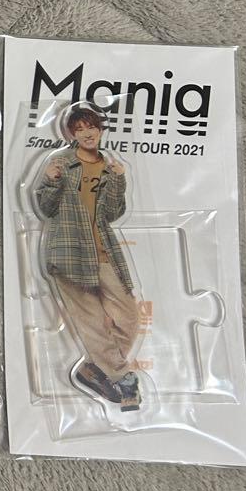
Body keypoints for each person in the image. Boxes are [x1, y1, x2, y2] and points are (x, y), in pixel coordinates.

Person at [35, 104, 141, 412]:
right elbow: (46, 208)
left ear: (100, 129)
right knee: (92, 323)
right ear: (71, 134)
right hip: (69, 253)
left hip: (103, 251)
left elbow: (112, 213)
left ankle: (93, 369)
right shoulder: (61, 163)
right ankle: (123, 379)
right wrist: (51, 181)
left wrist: (119, 180)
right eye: (79, 129)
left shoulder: (108, 166)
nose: (86, 134)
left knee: (129, 317)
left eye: (91, 127)